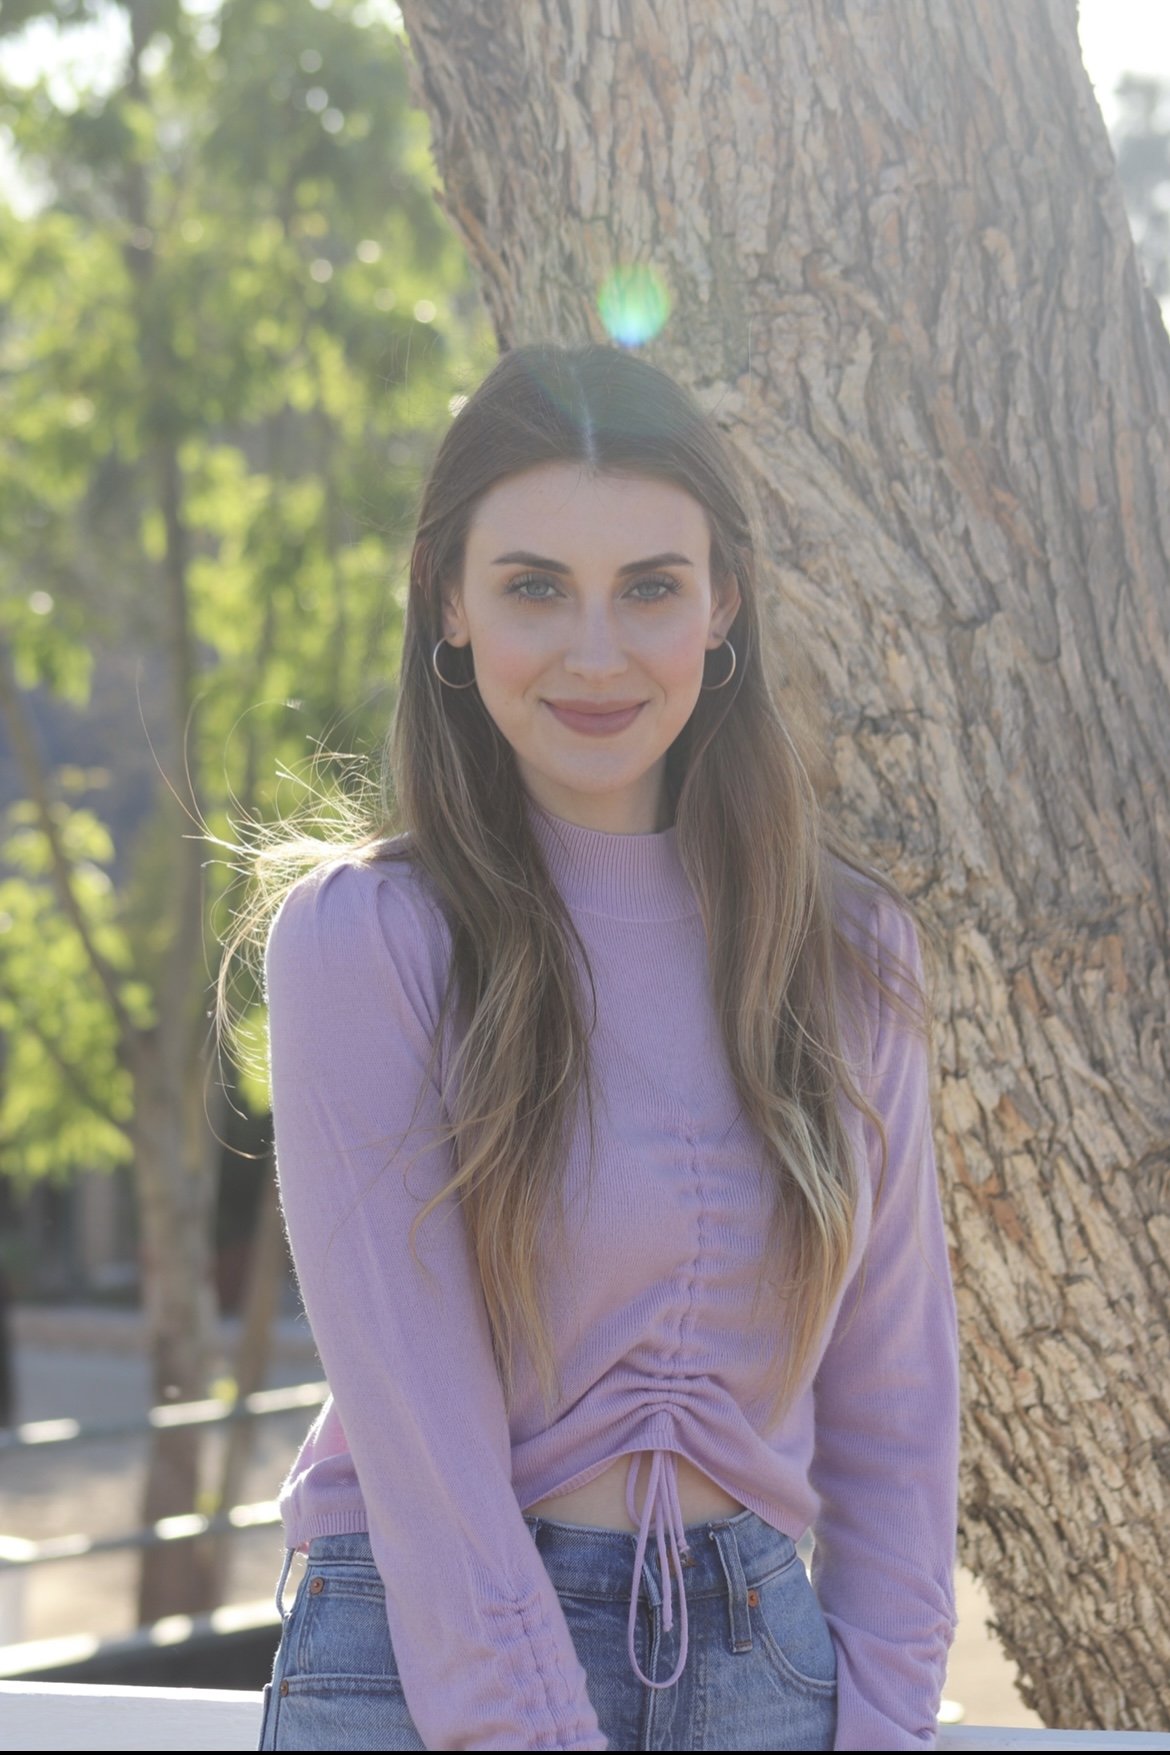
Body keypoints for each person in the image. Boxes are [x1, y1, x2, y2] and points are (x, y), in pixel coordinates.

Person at [238, 343, 959, 1751]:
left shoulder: (844, 955)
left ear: (721, 602)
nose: (594, 651)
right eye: (532, 588)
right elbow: (426, 1447)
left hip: (761, 1661)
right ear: (447, 602)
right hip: (425, 1661)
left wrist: (884, 1723)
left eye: (649, 587)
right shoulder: (365, 942)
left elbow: (897, 1409)